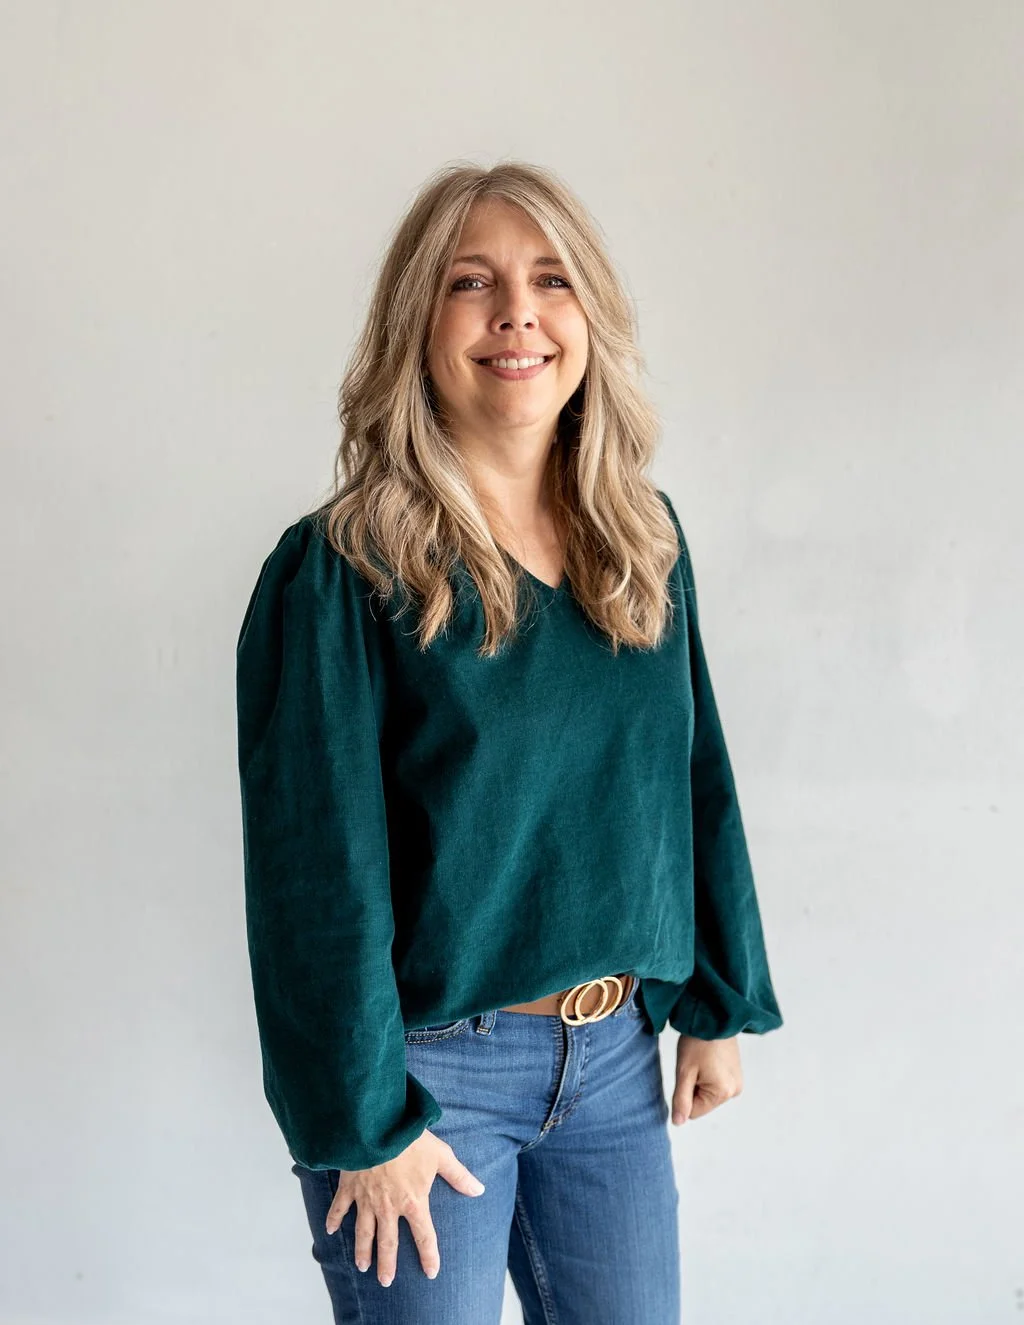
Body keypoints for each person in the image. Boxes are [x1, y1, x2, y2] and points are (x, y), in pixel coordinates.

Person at [235, 159, 784, 1324]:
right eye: (469, 282)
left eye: (550, 280)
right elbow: (313, 874)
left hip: (615, 1060)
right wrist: (366, 1122)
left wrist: (714, 997)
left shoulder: (640, 538)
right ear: (416, 324)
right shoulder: (340, 569)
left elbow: (691, 779)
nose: (516, 314)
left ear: (589, 315)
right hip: (427, 1080)